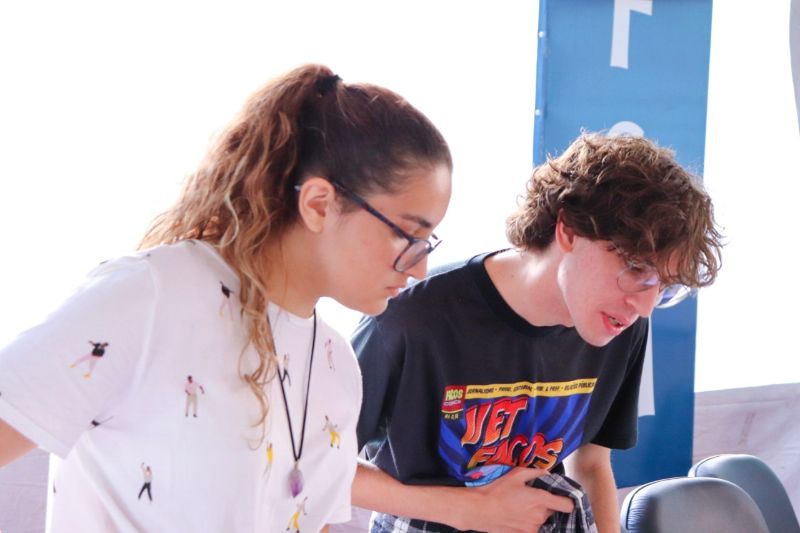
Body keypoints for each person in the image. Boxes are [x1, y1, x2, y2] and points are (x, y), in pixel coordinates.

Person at [0, 63, 452, 532]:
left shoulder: (336, 365)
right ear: (319, 204)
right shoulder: (150, 295)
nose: (419, 267)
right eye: (408, 235)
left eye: (429, 242)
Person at [351, 132, 723, 533]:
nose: (645, 306)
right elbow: (317, 463)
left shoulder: (621, 323)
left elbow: (591, 463)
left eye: (664, 286)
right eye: (635, 268)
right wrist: (466, 509)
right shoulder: (408, 319)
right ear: (569, 230)